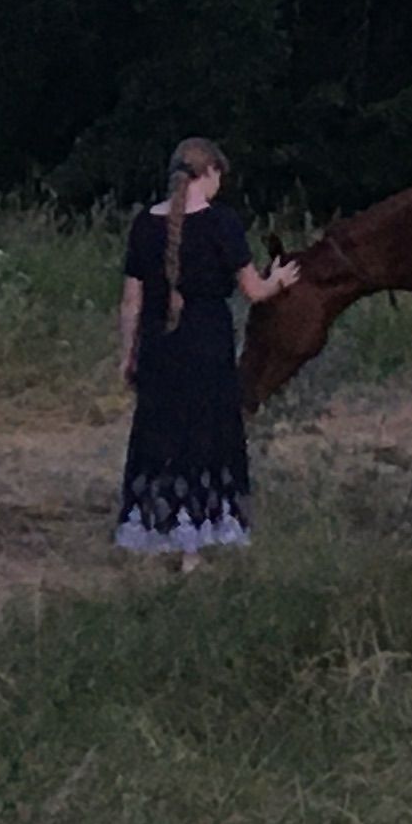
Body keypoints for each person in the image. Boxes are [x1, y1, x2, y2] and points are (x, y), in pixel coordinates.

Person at [112, 136, 299, 568]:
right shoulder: (222, 224)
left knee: (163, 434)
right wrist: (281, 279)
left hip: (160, 346)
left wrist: (128, 355)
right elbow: (254, 292)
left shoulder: (144, 224)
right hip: (207, 343)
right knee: (205, 435)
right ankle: (196, 542)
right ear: (210, 171)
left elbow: (131, 303)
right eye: (219, 177)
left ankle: (162, 533)